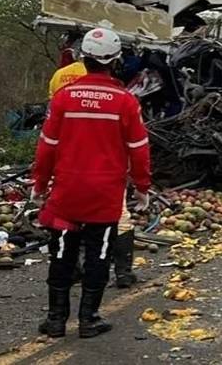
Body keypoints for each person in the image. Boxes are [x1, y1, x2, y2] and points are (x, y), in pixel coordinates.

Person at [33, 28, 151, 339]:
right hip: (105, 194)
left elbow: (47, 146)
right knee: (99, 253)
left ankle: (56, 320)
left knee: (61, 254)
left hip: (66, 193)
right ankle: (89, 319)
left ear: (84, 58)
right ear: (115, 61)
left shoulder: (63, 97)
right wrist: (142, 187)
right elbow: (139, 149)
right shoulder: (125, 101)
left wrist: (39, 185)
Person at [47, 41, 140, 289]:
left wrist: (41, 178)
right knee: (118, 218)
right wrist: (142, 184)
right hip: (106, 167)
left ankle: (71, 273)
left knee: (68, 221)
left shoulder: (60, 80)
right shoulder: (122, 97)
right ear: (113, 60)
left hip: (68, 165)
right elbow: (137, 144)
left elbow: (50, 131)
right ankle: (121, 272)